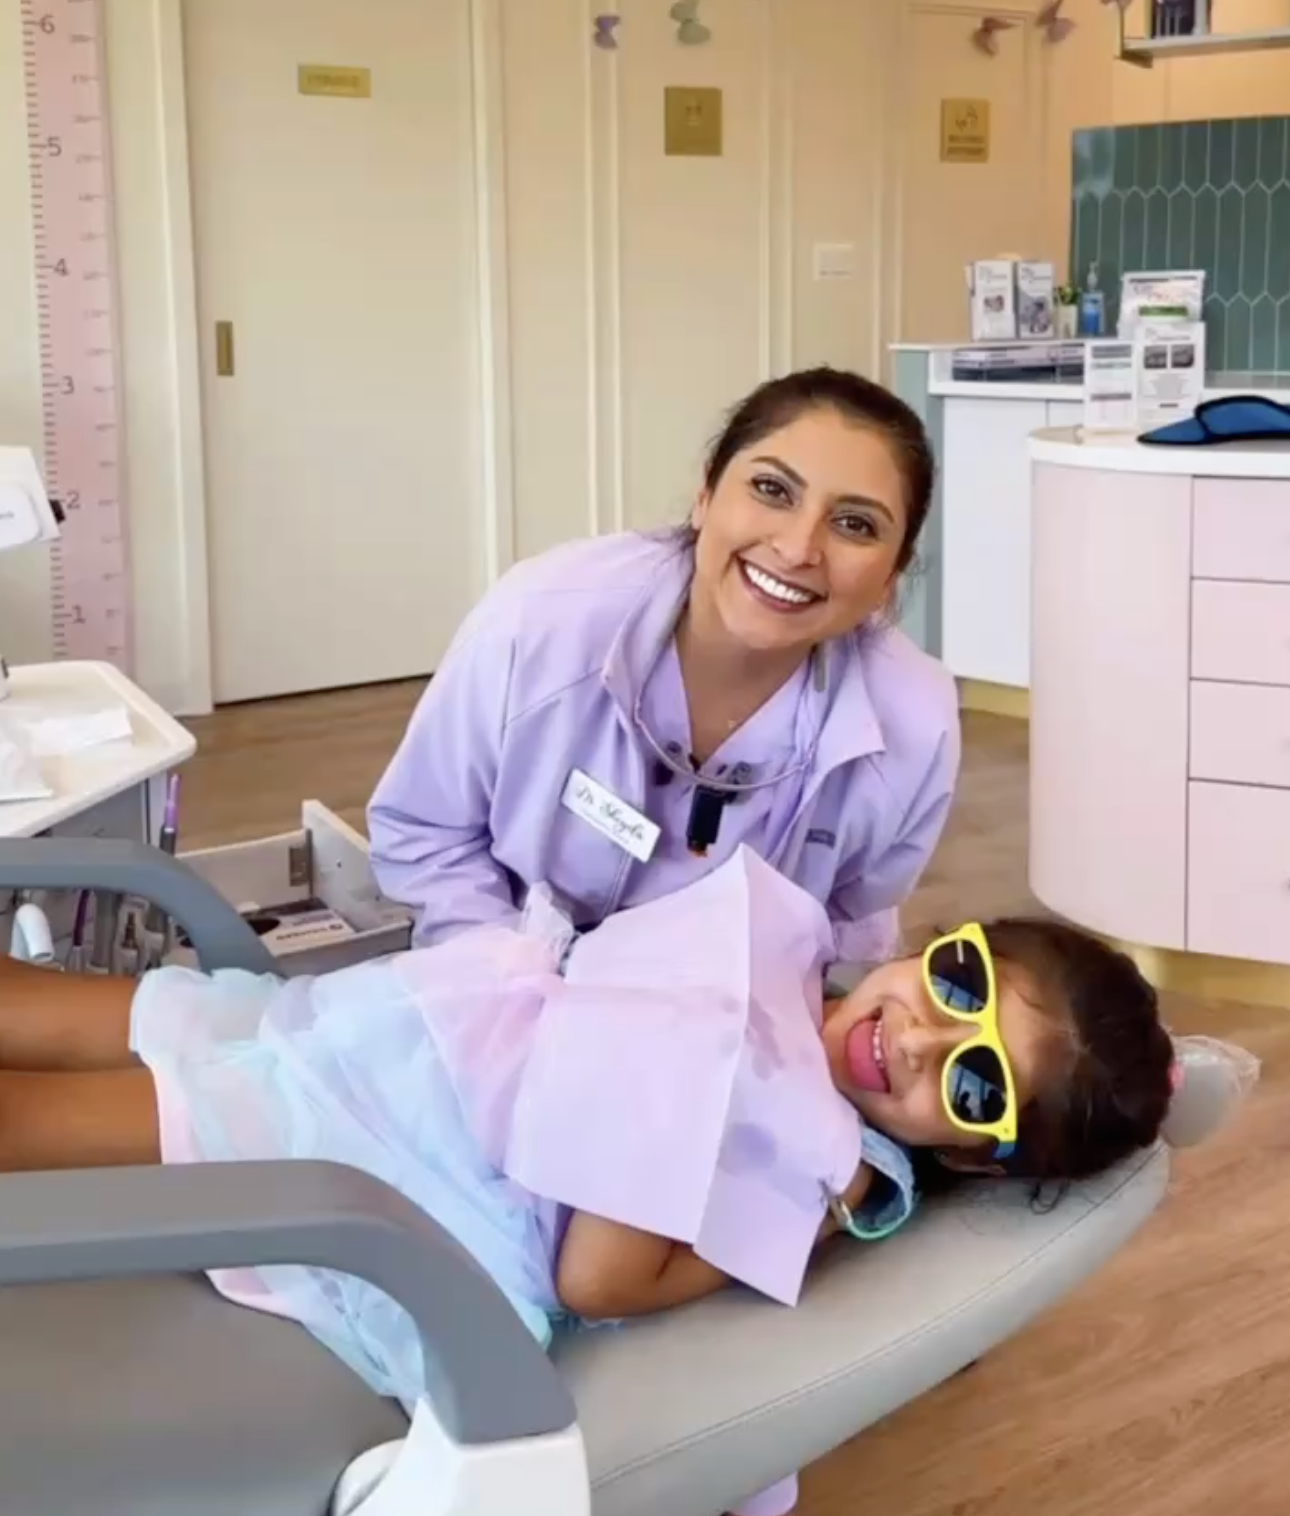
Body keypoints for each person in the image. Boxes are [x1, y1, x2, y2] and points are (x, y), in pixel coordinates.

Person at [0, 901, 1174, 1439]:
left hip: (424, 1148)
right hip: (419, 1034)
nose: (917, 1040)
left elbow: (601, 1278)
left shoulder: (833, 1172)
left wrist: (662, 1059)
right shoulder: (796, 961)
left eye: (973, 1083)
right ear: (939, 941)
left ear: (969, 1151)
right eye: (958, 983)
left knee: (78, 1114)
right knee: (148, 1012)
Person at [367, 366, 959, 968]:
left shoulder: (917, 723)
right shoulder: (540, 620)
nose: (797, 548)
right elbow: (427, 833)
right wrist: (521, 994)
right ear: (705, 495)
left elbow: (850, 925)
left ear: (891, 574)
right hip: (504, 989)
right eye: (772, 490)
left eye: (855, 524)